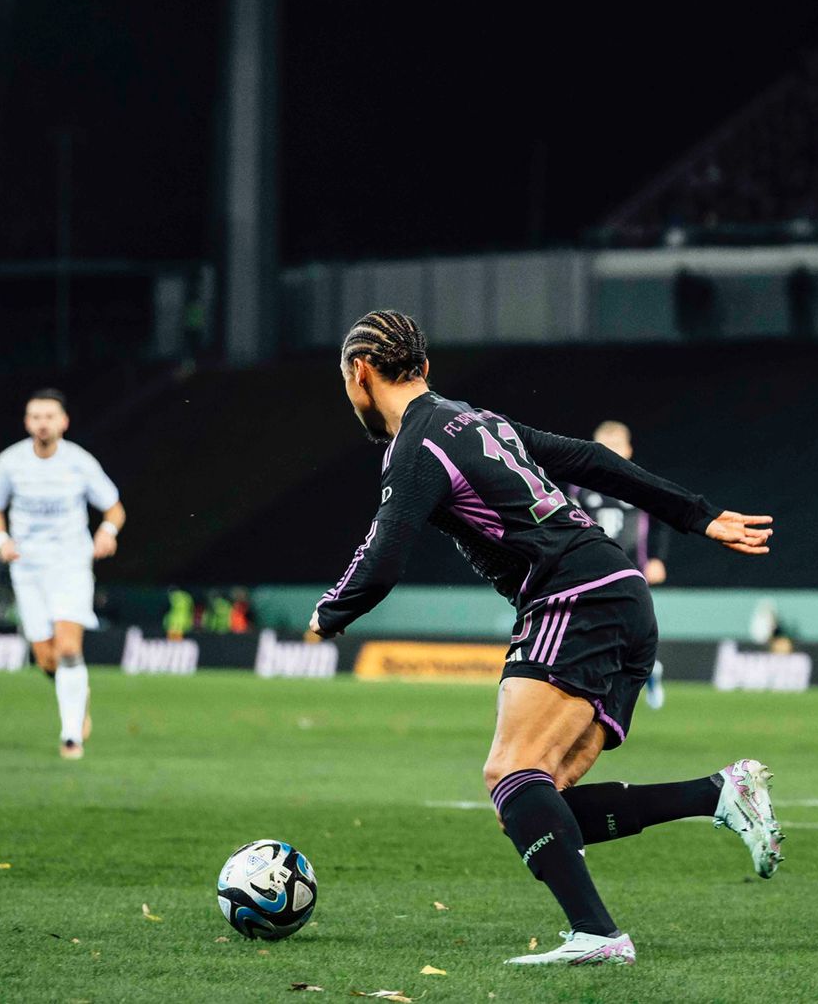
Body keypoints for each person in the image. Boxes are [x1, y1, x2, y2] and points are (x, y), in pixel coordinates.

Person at [307, 311, 781, 967]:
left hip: (574, 594)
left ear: (359, 373)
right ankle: (720, 793)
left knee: (509, 772)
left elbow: (385, 557)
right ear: (423, 366)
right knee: (535, 802)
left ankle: (598, 934)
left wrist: (328, 614)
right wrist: (696, 515)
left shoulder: (416, 447)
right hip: (620, 592)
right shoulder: (476, 421)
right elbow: (590, 460)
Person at [0, 389, 125, 760]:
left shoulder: (79, 462)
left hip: (70, 563)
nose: (43, 423)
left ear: (63, 422)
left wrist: (107, 533)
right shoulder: (11, 462)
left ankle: (71, 734)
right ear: (27, 423)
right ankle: (77, 691)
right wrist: (1, 539)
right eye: (35, 416)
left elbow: (114, 508)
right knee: (47, 658)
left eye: (49, 416)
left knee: (70, 647)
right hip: (27, 567)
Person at [569, 421, 669, 708]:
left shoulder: (639, 484)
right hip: (591, 571)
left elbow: (662, 523)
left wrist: (657, 559)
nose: (610, 454)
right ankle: (599, 684)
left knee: (628, 629)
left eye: (615, 447)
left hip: (631, 570)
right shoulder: (580, 487)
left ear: (628, 450)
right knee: (593, 627)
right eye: (604, 448)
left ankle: (646, 669)